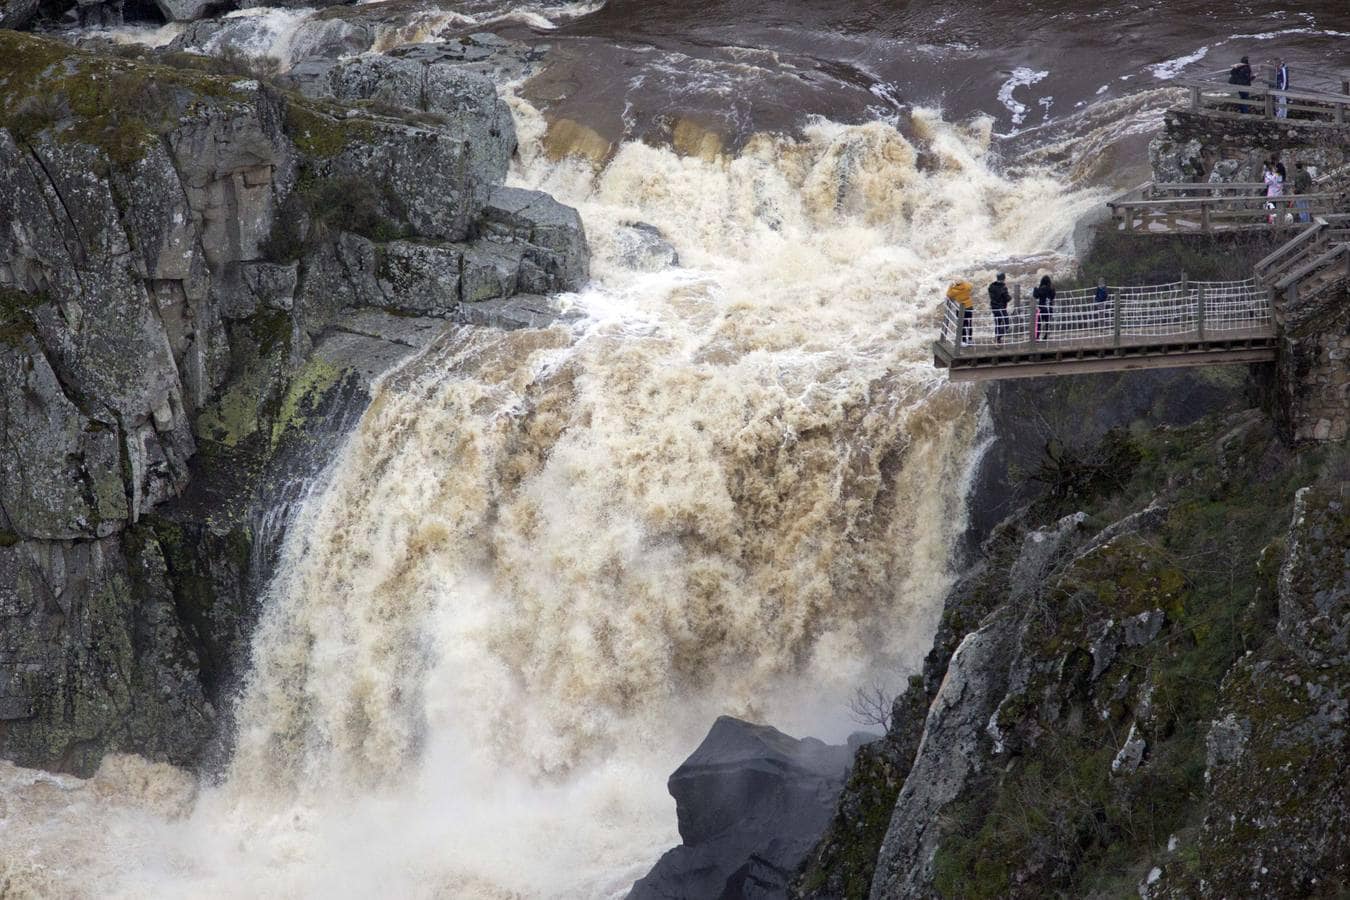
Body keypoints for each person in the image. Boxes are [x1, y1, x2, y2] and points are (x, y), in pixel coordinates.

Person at [947, 279, 974, 346]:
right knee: (969, 323)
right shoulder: (967, 287)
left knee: (962, 325)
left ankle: (964, 341)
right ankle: (970, 339)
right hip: (969, 306)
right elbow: (971, 286)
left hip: (960, 308)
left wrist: (950, 286)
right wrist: (964, 282)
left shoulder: (954, 291)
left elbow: (948, 294)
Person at [988, 273, 1011, 344]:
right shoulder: (1003, 287)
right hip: (1001, 307)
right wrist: (1010, 297)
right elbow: (1007, 298)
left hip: (994, 307)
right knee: (1006, 324)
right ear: (1004, 278)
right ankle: (997, 338)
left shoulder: (991, 286)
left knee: (997, 323)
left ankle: (998, 340)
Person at [1032, 275, 1055, 341]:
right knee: (1047, 323)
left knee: (1038, 323)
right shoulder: (1051, 289)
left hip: (1041, 308)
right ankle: (1046, 336)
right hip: (1048, 308)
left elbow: (1035, 296)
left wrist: (1035, 289)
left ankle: (1037, 337)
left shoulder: (1040, 289)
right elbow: (1053, 297)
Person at [1263, 159, 1284, 224]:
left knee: (1278, 209)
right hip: (1271, 194)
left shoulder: (1278, 174)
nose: (1274, 168)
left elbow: (1280, 182)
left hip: (1278, 194)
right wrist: (1274, 177)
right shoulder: (1267, 174)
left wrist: (1275, 177)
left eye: (1275, 167)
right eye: (1273, 167)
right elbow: (1267, 182)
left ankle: (1278, 223)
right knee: (1270, 209)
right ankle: (1271, 222)